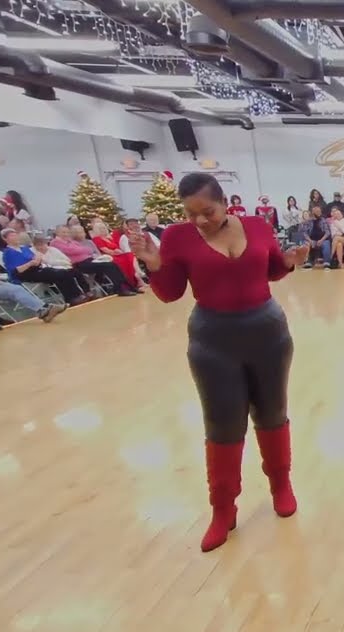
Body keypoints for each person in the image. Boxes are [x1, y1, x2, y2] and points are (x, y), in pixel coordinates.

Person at [129, 173, 310, 552]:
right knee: (222, 425)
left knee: (273, 413)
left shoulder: (258, 226)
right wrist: (154, 264)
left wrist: (291, 262)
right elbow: (171, 293)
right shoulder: (178, 237)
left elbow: (272, 268)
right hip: (213, 339)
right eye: (191, 214)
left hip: (268, 333)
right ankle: (222, 509)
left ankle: (281, 484)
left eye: (207, 212)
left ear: (224, 202)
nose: (199, 221)